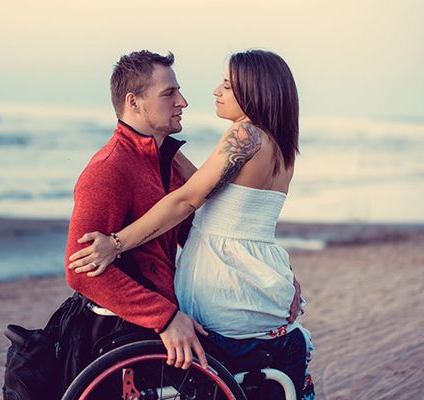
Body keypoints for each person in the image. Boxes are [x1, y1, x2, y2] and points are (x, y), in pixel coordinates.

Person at [68, 49, 314, 399]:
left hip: (224, 290)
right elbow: (223, 203)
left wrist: (116, 242)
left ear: (253, 91)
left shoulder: (244, 136)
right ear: (134, 102)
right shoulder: (279, 145)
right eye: (170, 93)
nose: (215, 91)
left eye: (227, 85)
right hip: (259, 280)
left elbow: (188, 200)